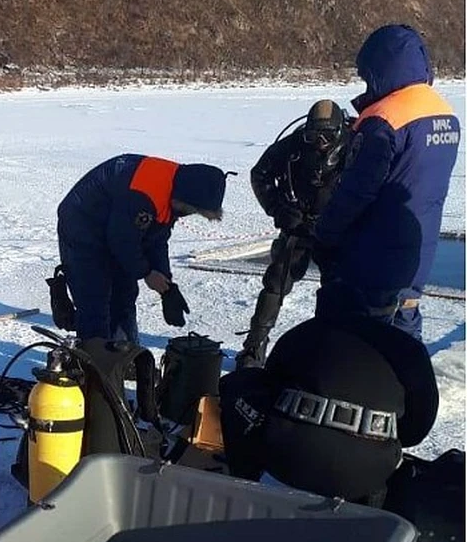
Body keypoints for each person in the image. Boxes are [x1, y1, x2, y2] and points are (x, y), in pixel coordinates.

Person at [313, 24, 461, 340]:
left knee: (361, 343)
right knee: (405, 334)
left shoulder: (384, 120)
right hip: (419, 251)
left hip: (373, 257)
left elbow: (357, 191)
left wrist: (324, 235)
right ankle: (413, 387)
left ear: (380, 67)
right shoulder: (445, 113)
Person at [220, 315, 439, 505]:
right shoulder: (408, 349)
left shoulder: (307, 332)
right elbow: (416, 431)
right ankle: (371, 507)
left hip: (287, 458)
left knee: (239, 385)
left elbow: (270, 381)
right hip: (365, 475)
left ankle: (241, 482)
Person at [52, 154, 229, 342]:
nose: (189, 214)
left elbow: (156, 239)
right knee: (94, 300)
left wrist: (166, 286)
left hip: (115, 226)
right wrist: (146, 272)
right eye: (192, 210)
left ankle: (126, 357)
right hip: (82, 225)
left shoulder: (176, 187)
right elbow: (122, 240)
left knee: (124, 295)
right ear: (186, 198)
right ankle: (95, 361)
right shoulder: (144, 193)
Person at [235, 100, 352, 369]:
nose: (318, 142)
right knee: (276, 284)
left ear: (338, 132)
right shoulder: (295, 145)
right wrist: (278, 208)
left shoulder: (356, 144)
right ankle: (254, 347)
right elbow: (260, 174)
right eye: (313, 136)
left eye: (325, 137)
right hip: (299, 225)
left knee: (338, 292)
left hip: (338, 231)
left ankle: (331, 352)